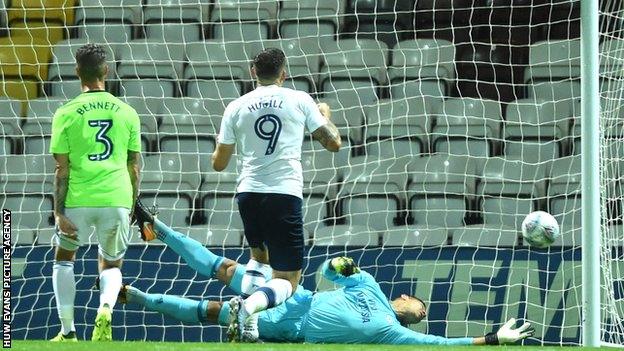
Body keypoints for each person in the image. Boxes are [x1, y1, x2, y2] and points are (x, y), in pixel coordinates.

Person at [127, 203, 534, 345]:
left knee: (213, 310)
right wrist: (339, 265)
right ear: (406, 297)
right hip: (297, 297)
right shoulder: (370, 285)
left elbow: (442, 344)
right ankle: (156, 227)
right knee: (226, 268)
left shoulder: (392, 332)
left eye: (422, 312)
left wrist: (492, 338)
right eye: (420, 303)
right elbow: (329, 271)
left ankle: (134, 296)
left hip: (293, 328)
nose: (421, 310)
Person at [209, 47, 342, 341]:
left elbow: (218, 164)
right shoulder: (300, 99)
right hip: (283, 194)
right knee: (289, 280)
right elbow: (334, 143)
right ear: (284, 73)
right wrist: (324, 115)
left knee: (259, 256)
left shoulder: (236, 106)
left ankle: (250, 326)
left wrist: (218, 144)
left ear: (253, 72)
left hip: (248, 193)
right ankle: (246, 308)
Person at [49, 43, 141, 342]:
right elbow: (134, 166)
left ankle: (68, 331)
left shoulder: (65, 112)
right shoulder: (127, 112)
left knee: (64, 258)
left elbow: (61, 169)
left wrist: (59, 211)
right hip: (116, 198)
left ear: (77, 72)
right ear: (106, 70)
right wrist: (132, 204)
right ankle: (104, 308)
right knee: (111, 262)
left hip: (77, 199)